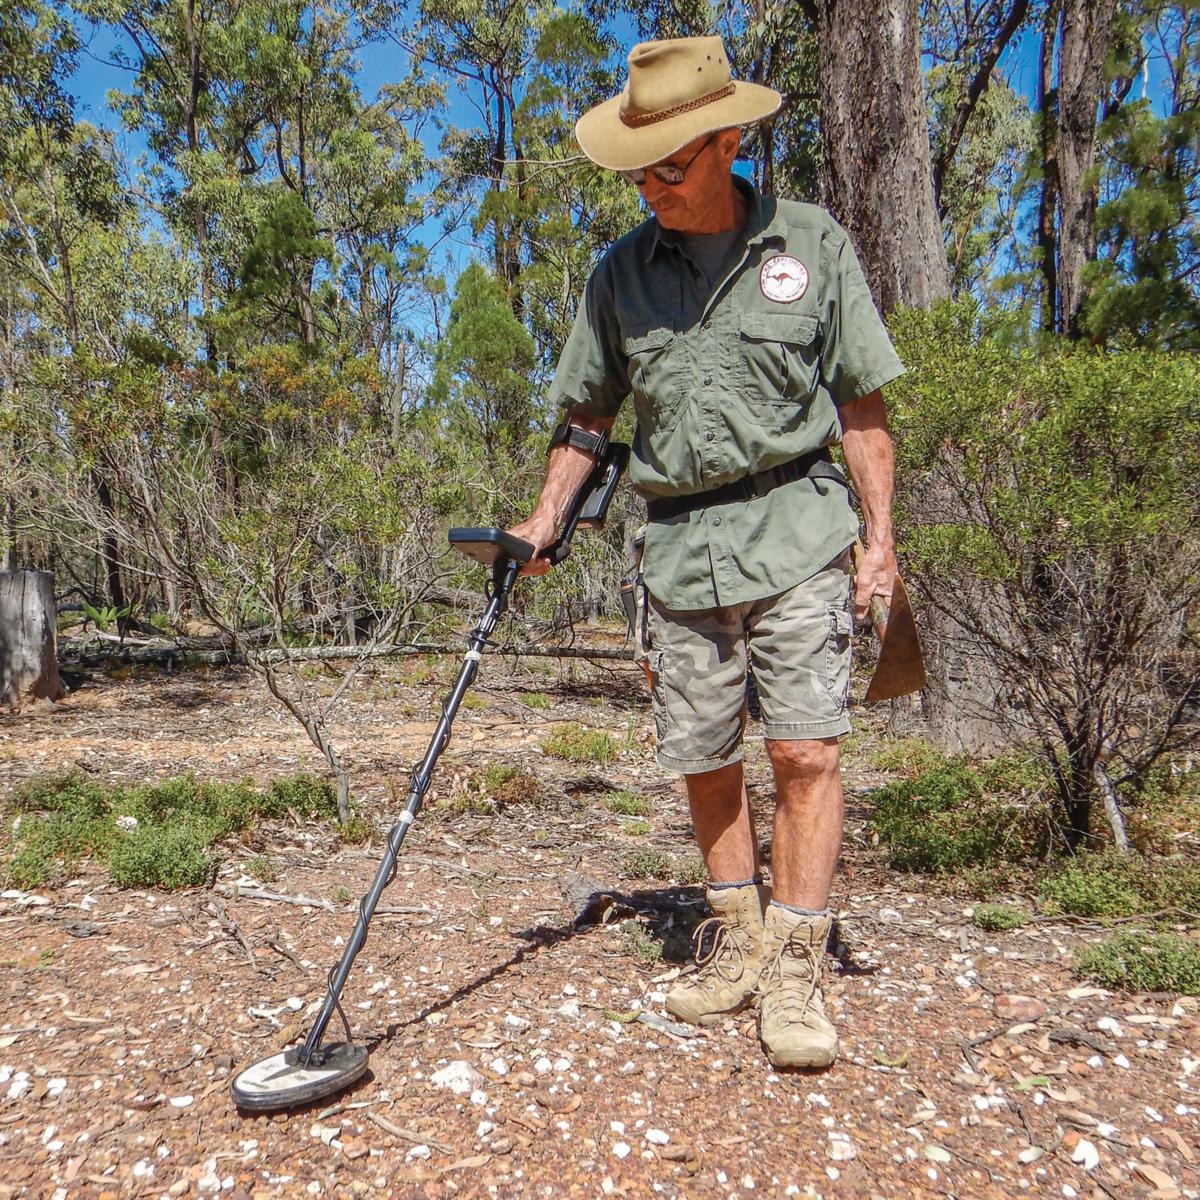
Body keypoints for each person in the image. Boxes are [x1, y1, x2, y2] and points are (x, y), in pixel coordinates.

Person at [509, 35, 903, 1069]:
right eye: (639, 168)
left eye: (671, 166)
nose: (652, 187)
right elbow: (587, 417)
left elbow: (862, 405)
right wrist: (548, 516)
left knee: (806, 751)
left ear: (729, 141)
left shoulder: (811, 245)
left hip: (800, 530)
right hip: (681, 549)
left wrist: (880, 547)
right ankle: (734, 942)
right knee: (705, 756)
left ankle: (796, 967)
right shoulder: (620, 276)